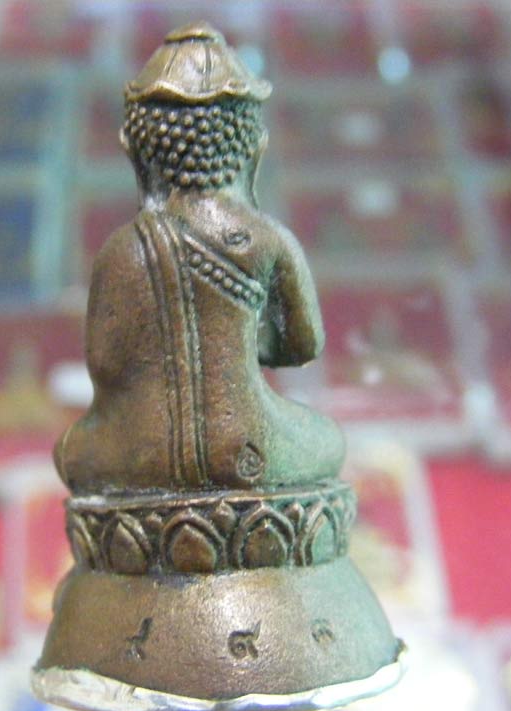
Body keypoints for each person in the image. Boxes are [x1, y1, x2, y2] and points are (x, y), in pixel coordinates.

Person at [55, 23, 344, 495]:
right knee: (328, 440)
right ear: (254, 149)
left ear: (136, 153)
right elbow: (301, 346)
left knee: (72, 451)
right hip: (251, 447)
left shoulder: (120, 251)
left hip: (140, 453)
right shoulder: (270, 242)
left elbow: (106, 367)